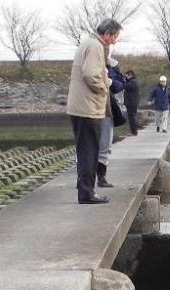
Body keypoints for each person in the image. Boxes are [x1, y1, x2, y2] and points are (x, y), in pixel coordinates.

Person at [66, 18, 121, 205]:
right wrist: (103, 88)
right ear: (107, 34)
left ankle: (85, 190)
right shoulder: (96, 46)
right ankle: (87, 193)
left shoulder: (87, 43)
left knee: (84, 150)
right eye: (115, 36)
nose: (114, 40)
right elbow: (90, 74)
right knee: (90, 151)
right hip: (88, 108)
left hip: (80, 107)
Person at [97, 55, 127, 188]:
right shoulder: (86, 61)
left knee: (105, 144)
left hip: (106, 107)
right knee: (85, 144)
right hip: (86, 108)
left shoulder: (113, 65)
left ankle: (101, 176)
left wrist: (108, 81)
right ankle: (83, 177)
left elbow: (119, 85)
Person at [123, 70, 140, 135]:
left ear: (130, 75)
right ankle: (134, 131)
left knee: (132, 118)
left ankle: (134, 131)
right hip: (132, 102)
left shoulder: (133, 82)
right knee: (132, 117)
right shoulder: (133, 81)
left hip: (131, 103)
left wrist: (124, 80)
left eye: (127, 75)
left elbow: (125, 86)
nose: (126, 77)